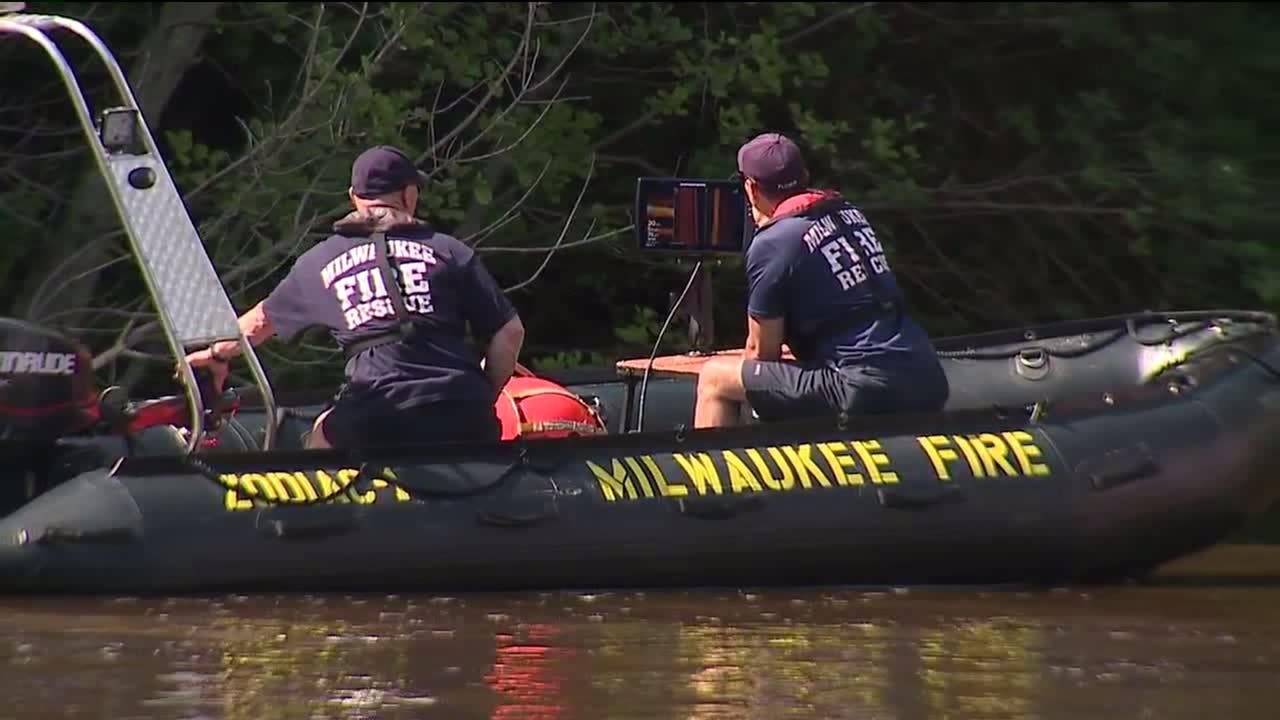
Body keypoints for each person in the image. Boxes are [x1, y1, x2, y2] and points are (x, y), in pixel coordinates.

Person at [184, 145, 525, 449]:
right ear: (408, 195)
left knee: (322, 432)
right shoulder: (450, 251)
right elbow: (509, 333)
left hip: (376, 411)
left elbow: (258, 324)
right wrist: (484, 393)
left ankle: (326, 515)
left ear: (353, 197)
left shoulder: (319, 262)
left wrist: (216, 353)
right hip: (460, 409)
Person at [693, 132, 949, 428]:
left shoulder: (772, 242)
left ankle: (712, 474)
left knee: (714, 378)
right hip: (927, 376)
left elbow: (761, 354)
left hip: (863, 386)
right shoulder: (848, 211)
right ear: (804, 175)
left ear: (751, 189)